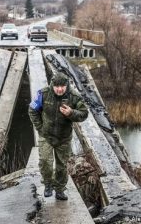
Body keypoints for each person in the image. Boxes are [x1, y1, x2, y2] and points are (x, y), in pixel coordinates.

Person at [28, 72, 88, 201]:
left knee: (62, 166)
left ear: (66, 85)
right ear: (52, 85)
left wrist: (71, 113)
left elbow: (84, 114)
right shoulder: (43, 94)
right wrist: (40, 128)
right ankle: (48, 184)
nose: (60, 89)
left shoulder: (74, 96)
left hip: (64, 137)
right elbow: (32, 110)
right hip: (46, 135)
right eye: (57, 86)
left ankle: (60, 189)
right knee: (45, 162)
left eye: (62, 86)